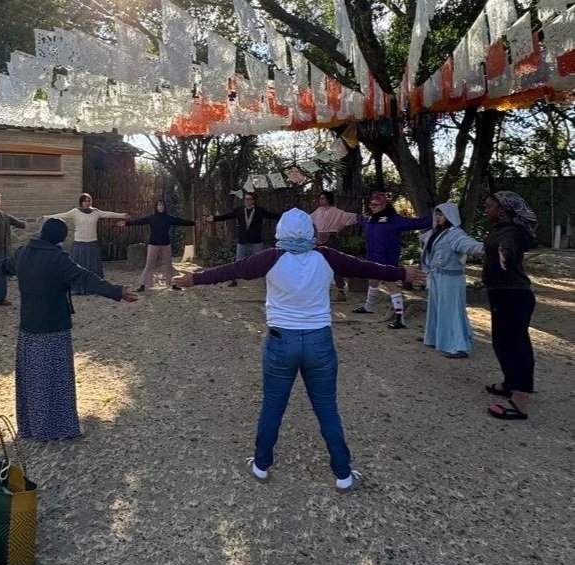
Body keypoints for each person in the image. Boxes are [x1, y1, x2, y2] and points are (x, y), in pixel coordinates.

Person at [173, 209, 425, 489]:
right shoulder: (326, 256)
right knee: (327, 408)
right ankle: (343, 474)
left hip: (281, 341)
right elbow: (367, 267)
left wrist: (193, 279)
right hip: (319, 342)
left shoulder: (271, 258)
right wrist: (403, 272)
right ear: (311, 231)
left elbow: (231, 270)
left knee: (272, 406)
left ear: (280, 232)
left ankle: (261, 465)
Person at [0, 217, 138, 440]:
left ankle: (32, 426)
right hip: (54, 326)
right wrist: (117, 292)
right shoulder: (58, 258)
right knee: (55, 378)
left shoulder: (23, 252)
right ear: (59, 239)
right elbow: (85, 277)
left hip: (29, 325)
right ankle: (58, 427)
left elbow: (3, 267)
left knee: (32, 378)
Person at [483, 191, 538, 422]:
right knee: (502, 342)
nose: (485, 210)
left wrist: (505, 253)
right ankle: (510, 383)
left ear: (503, 210)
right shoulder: (500, 229)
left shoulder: (511, 231)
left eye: (489, 206)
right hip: (502, 295)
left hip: (513, 295)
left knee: (516, 345)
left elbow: (508, 245)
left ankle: (520, 401)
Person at [353, 191, 432, 328]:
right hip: (371, 258)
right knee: (372, 281)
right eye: (371, 204)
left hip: (387, 260)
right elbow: (358, 218)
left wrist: (436, 217)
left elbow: (416, 223)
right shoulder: (370, 219)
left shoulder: (395, 220)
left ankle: (400, 318)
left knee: (392, 286)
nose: (373, 206)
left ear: (384, 205)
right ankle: (369, 306)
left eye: (376, 204)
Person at [420, 203, 484, 358]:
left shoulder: (455, 233)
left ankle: (458, 346)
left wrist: (483, 248)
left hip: (451, 278)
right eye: (437, 214)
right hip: (437, 275)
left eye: (441, 214)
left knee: (452, 310)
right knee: (436, 308)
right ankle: (435, 337)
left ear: (449, 216)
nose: (438, 217)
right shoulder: (437, 232)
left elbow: (466, 243)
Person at [47, 193, 127, 294]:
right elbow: (62, 215)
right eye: (85, 201)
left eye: (89, 200)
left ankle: (95, 287)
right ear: (81, 202)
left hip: (92, 243)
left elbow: (108, 214)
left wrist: (122, 215)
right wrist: (46, 217)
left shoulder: (95, 212)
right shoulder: (75, 212)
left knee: (92, 266)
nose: (87, 203)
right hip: (80, 243)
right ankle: (78, 288)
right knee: (78, 266)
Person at [205, 191, 280, 287]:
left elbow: (273, 216)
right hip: (242, 240)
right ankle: (233, 280)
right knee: (238, 261)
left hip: (256, 241)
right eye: (246, 199)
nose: (247, 201)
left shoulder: (260, 211)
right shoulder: (239, 210)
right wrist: (214, 218)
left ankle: (266, 282)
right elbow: (228, 216)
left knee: (261, 261)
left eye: (249, 199)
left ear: (254, 200)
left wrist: (287, 216)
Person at [125, 199, 195, 291]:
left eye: (162, 205)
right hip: (153, 244)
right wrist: (126, 223)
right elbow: (139, 221)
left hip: (166, 244)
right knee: (149, 265)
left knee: (169, 265)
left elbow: (180, 221)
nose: (160, 207)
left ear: (164, 207)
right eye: (159, 205)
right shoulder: (151, 218)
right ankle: (144, 285)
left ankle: (172, 284)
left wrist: (194, 223)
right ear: (156, 207)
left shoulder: (168, 218)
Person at [310, 191, 360, 297]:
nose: (321, 200)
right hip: (318, 240)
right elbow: (308, 219)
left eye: (323, 198)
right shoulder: (318, 211)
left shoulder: (336, 212)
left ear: (329, 199)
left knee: (335, 263)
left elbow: (348, 217)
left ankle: (340, 290)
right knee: (318, 264)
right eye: (320, 198)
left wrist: (361, 217)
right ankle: (319, 289)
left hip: (331, 239)